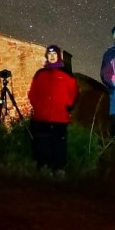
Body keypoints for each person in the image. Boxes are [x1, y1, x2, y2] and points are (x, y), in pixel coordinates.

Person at [27, 44, 79, 175]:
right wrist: (38, 107)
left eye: (54, 54)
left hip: (60, 117)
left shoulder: (66, 75)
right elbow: (32, 93)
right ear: (46, 56)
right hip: (42, 117)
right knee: (42, 144)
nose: (52, 57)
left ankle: (59, 169)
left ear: (58, 56)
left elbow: (74, 93)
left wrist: (67, 107)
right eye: (49, 55)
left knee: (59, 145)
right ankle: (44, 170)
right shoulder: (40, 74)